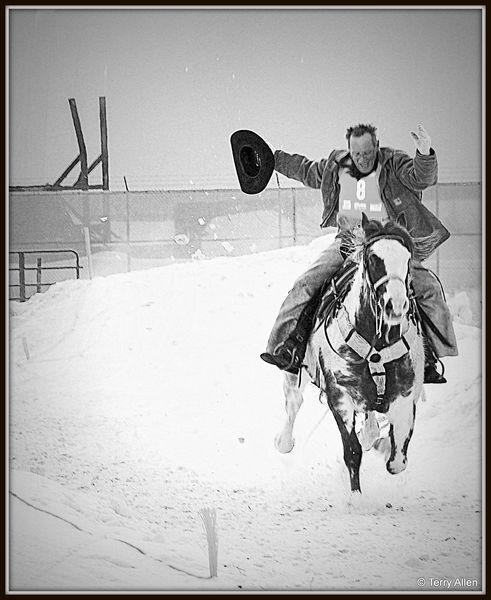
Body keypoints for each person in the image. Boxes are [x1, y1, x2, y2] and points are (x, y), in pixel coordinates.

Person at [260, 123, 458, 384]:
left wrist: (424, 154)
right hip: (349, 243)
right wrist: (273, 159)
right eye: (357, 154)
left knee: (428, 287)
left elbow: (420, 177)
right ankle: (289, 348)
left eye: (368, 153)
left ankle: (429, 354)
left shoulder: (393, 163)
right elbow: (306, 170)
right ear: (349, 151)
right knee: (305, 284)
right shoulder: (336, 166)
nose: (363, 159)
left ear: (376, 147)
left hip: (387, 244)